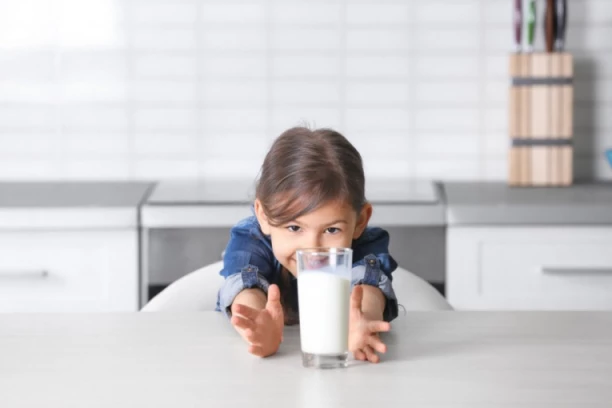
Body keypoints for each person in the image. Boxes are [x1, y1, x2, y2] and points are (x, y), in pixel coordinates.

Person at [216, 126, 398, 363]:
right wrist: (259, 326)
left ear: (360, 221)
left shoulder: (364, 244)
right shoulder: (251, 239)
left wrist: (361, 320)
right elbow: (245, 285)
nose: (313, 249)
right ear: (264, 216)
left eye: (332, 230)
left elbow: (368, 285)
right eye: (294, 228)